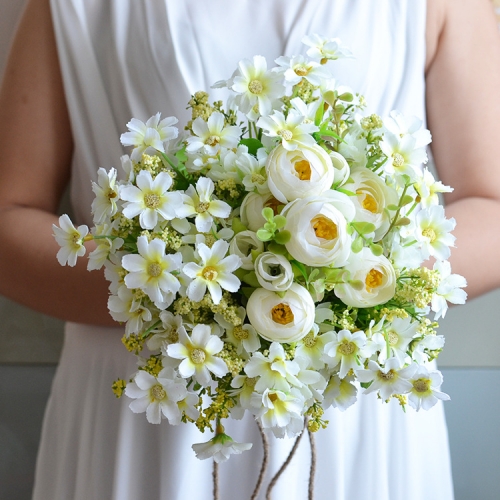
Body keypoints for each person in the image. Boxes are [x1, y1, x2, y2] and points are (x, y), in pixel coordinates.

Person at [1, 0, 500, 499]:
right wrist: (182, 302)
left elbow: (493, 205)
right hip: (149, 399)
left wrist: (355, 282)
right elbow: (10, 217)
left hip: (353, 396)